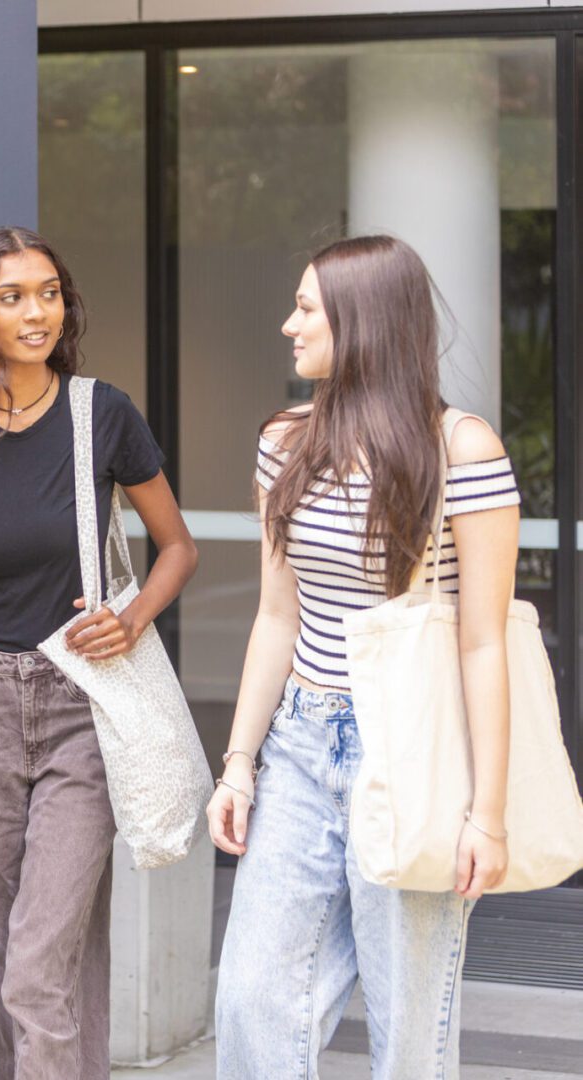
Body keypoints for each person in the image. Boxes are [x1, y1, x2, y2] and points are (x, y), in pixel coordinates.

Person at [0, 226, 197, 1079]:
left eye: (49, 292)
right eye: (13, 296)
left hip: (80, 705)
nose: (38, 311)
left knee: (40, 966)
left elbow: (178, 549)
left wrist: (131, 619)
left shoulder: (102, 415)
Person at [209, 234, 519, 1078]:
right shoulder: (285, 442)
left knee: (410, 1032)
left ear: (365, 321)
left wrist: (486, 815)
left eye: (306, 308)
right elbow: (278, 616)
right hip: (303, 744)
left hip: (414, 753)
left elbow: (485, 641)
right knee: (249, 1001)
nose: (287, 325)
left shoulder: (462, 450)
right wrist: (239, 764)